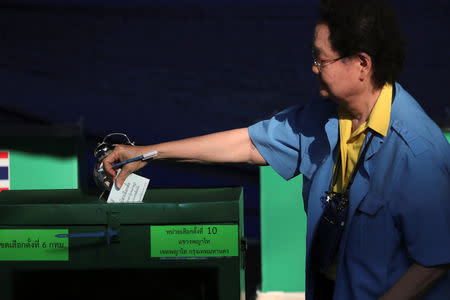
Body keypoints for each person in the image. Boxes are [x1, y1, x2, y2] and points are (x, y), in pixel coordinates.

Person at [103, 0, 450, 299]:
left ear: (361, 64)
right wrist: (143, 154)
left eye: (321, 59)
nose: (313, 68)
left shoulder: (418, 153)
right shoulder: (323, 118)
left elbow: (435, 260)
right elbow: (247, 142)